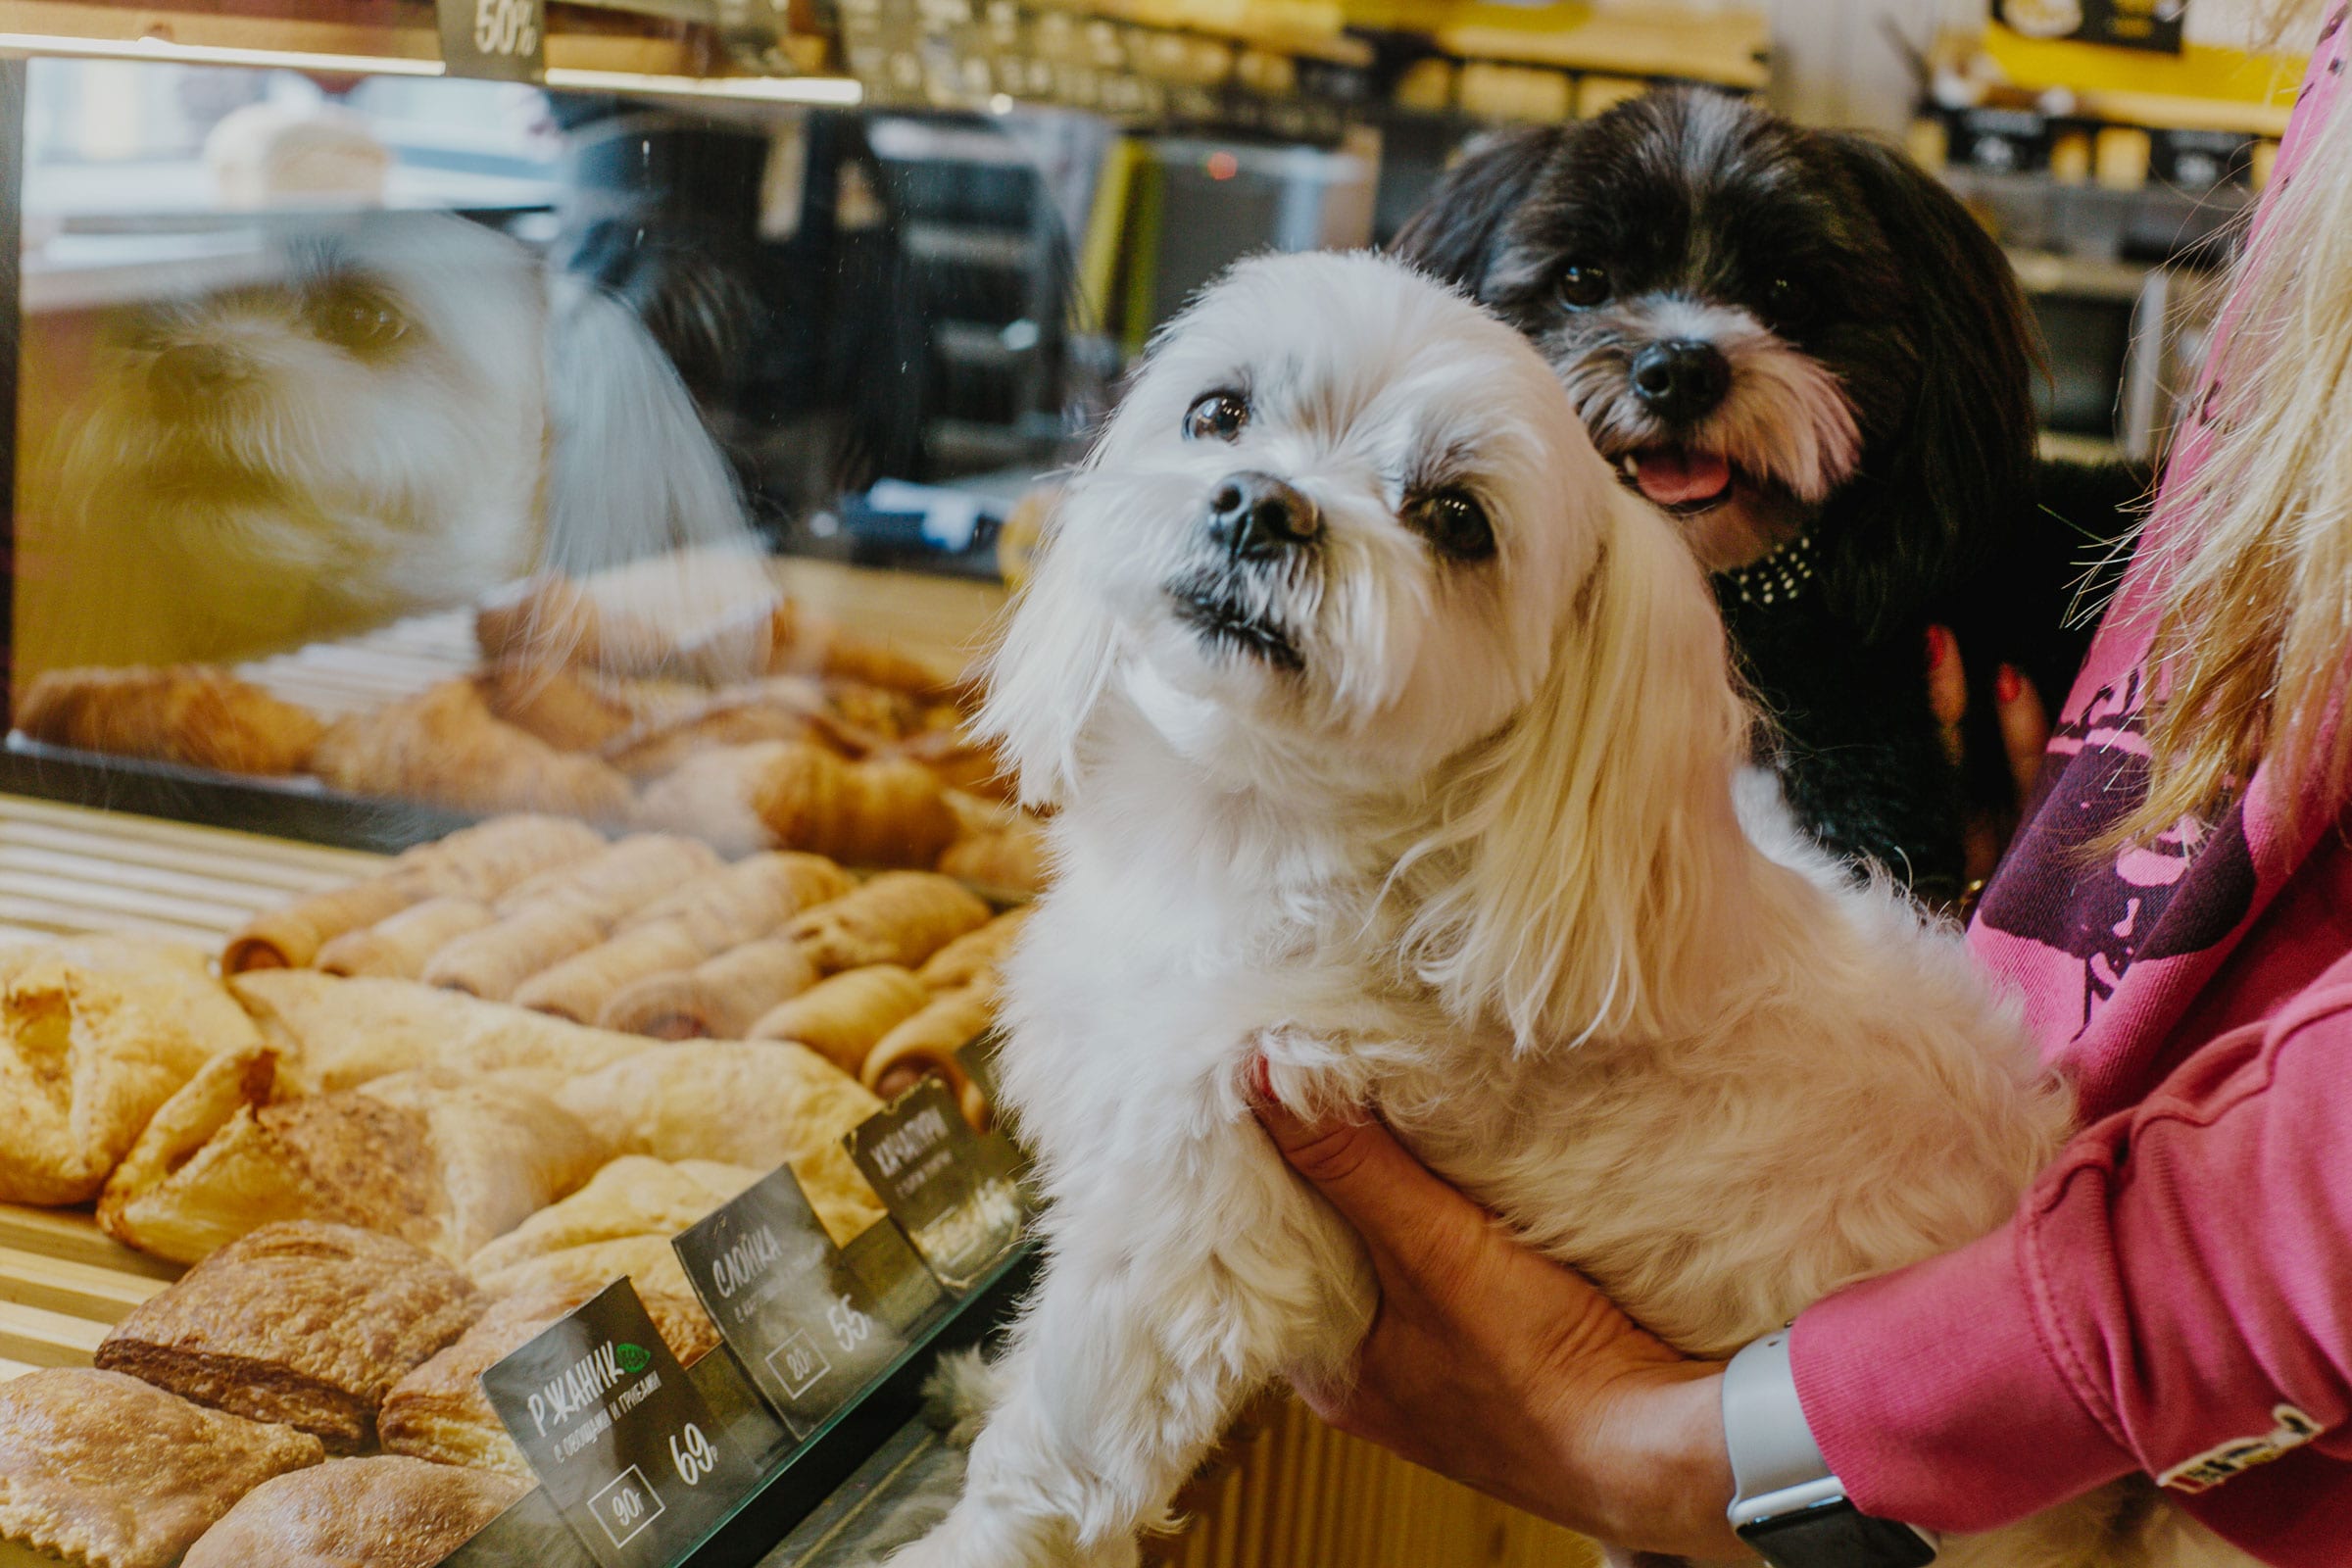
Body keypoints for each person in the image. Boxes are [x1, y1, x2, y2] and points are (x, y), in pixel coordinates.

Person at [1250, 14, 2352, 1565]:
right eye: (1583, 290)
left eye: (1778, 302)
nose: (1680, 351)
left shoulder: (1941, 649)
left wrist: (1709, 1449)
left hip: (2078, 1409)